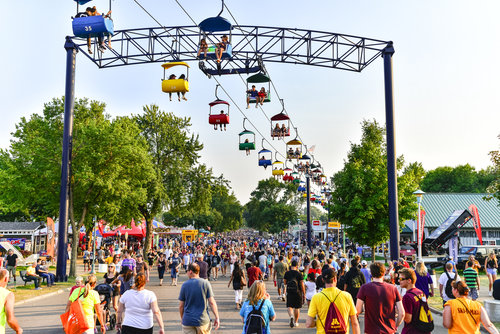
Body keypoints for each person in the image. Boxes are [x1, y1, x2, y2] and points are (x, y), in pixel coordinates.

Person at [306, 267, 360, 334]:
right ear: (335, 279)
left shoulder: (316, 298)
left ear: (323, 280)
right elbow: (355, 323)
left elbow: (309, 324)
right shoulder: (347, 296)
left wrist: (319, 323)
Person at [356, 262, 404, 334]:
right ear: (384, 272)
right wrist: (395, 326)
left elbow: (358, 310)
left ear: (371, 273)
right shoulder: (393, 289)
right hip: (389, 330)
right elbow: (402, 313)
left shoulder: (364, 288)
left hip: (371, 330)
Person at [178, 263, 220, 333]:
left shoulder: (184, 285)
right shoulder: (205, 283)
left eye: (187, 271)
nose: (187, 273)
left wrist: (183, 318)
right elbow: (212, 302)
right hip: (202, 320)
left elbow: (181, 305)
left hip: (188, 320)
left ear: (190, 271)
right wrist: (217, 317)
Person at [398, 268, 431, 334]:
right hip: (424, 330)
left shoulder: (407, 297)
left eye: (401, 279)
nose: (399, 281)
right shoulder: (420, 292)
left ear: (409, 280)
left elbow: (408, 319)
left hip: (412, 330)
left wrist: (399, 311)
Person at [283, 260, 305, 328]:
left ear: (291, 266)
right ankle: (296, 322)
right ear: (296, 266)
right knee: (297, 307)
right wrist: (304, 293)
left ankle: (291, 316)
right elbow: (302, 284)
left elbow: (285, 283)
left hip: (289, 291)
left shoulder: (287, 273)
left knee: (290, 306)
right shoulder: (299, 274)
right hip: (298, 292)